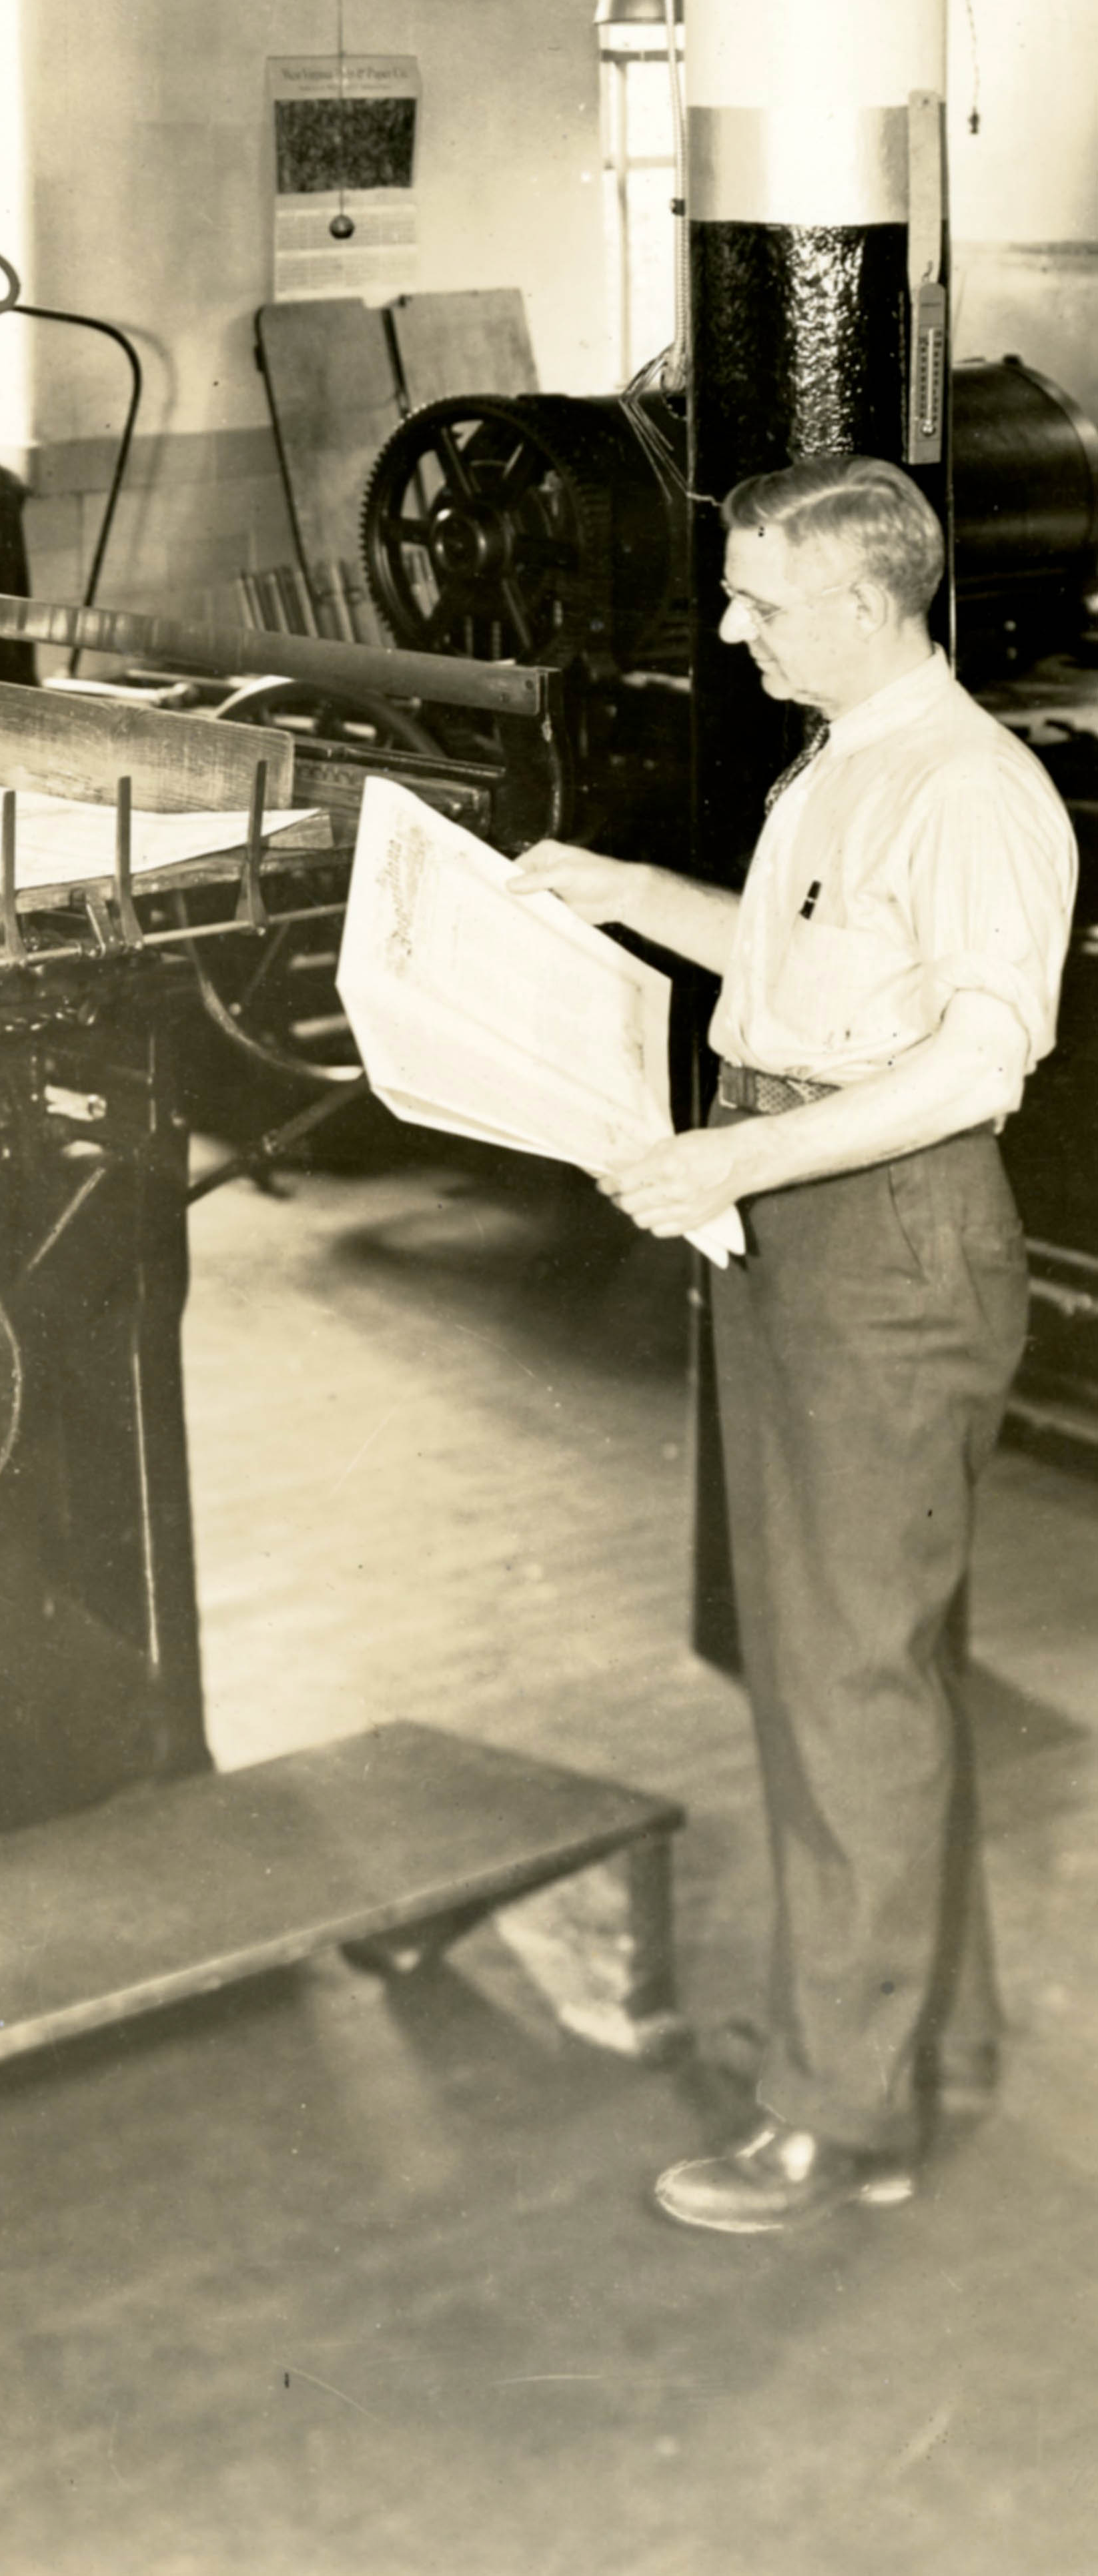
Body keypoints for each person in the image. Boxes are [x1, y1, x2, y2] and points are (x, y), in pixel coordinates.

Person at [511, 454, 1075, 2236]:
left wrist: (731, 1151)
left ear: (857, 596)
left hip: (882, 1243)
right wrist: (601, 885)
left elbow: (974, 1062)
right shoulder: (839, 763)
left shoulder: (967, 791)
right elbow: (776, 977)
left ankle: (831, 2114)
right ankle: (929, 2054)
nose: (730, 623)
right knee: (851, 1672)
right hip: (799, 1227)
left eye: (756, 595)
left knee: (846, 1685)